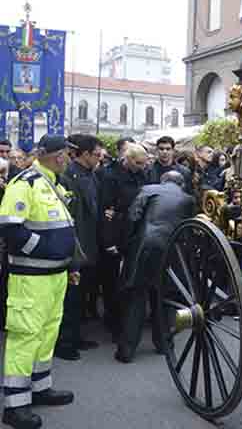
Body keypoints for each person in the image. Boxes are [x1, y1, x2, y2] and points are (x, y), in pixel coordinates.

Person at [0, 135, 78, 429]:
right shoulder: (25, 183)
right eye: (65, 154)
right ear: (56, 156)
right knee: (25, 337)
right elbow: (9, 228)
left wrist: (66, 263)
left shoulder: (52, 183)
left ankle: (40, 388)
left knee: (47, 333)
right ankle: (15, 405)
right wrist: (45, 251)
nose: (68, 159)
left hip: (54, 276)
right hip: (31, 278)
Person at [116, 171, 195, 363]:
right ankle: (163, 344)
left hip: (145, 246)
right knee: (163, 298)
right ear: (181, 184)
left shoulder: (148, 190)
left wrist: (125, 246)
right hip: (172, 250)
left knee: (136, 297)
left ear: (163, 180)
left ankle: (127, 349)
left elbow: (132, 218)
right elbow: (190, 229)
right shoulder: (188, 199)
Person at [55, 135, 103, 360]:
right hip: (75, 246)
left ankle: (77, 337)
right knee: (70, 298)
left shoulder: (91, 175)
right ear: (84, 154)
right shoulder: (68, 176)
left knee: (81, 296)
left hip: (89, 244)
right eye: (96, 154)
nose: (99, 158)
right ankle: (65, 343)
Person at [100, 142, 149, 341]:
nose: (142, 167)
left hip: (136, 232)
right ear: (127, 160)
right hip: (117, 231)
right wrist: (108, 240)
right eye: (138, 163)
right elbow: (106, 210)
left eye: (144, 163)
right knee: (112, 282)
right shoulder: (110, 176)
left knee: (130, 280)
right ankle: (113, 323)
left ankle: (127, 321)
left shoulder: (143, 174)